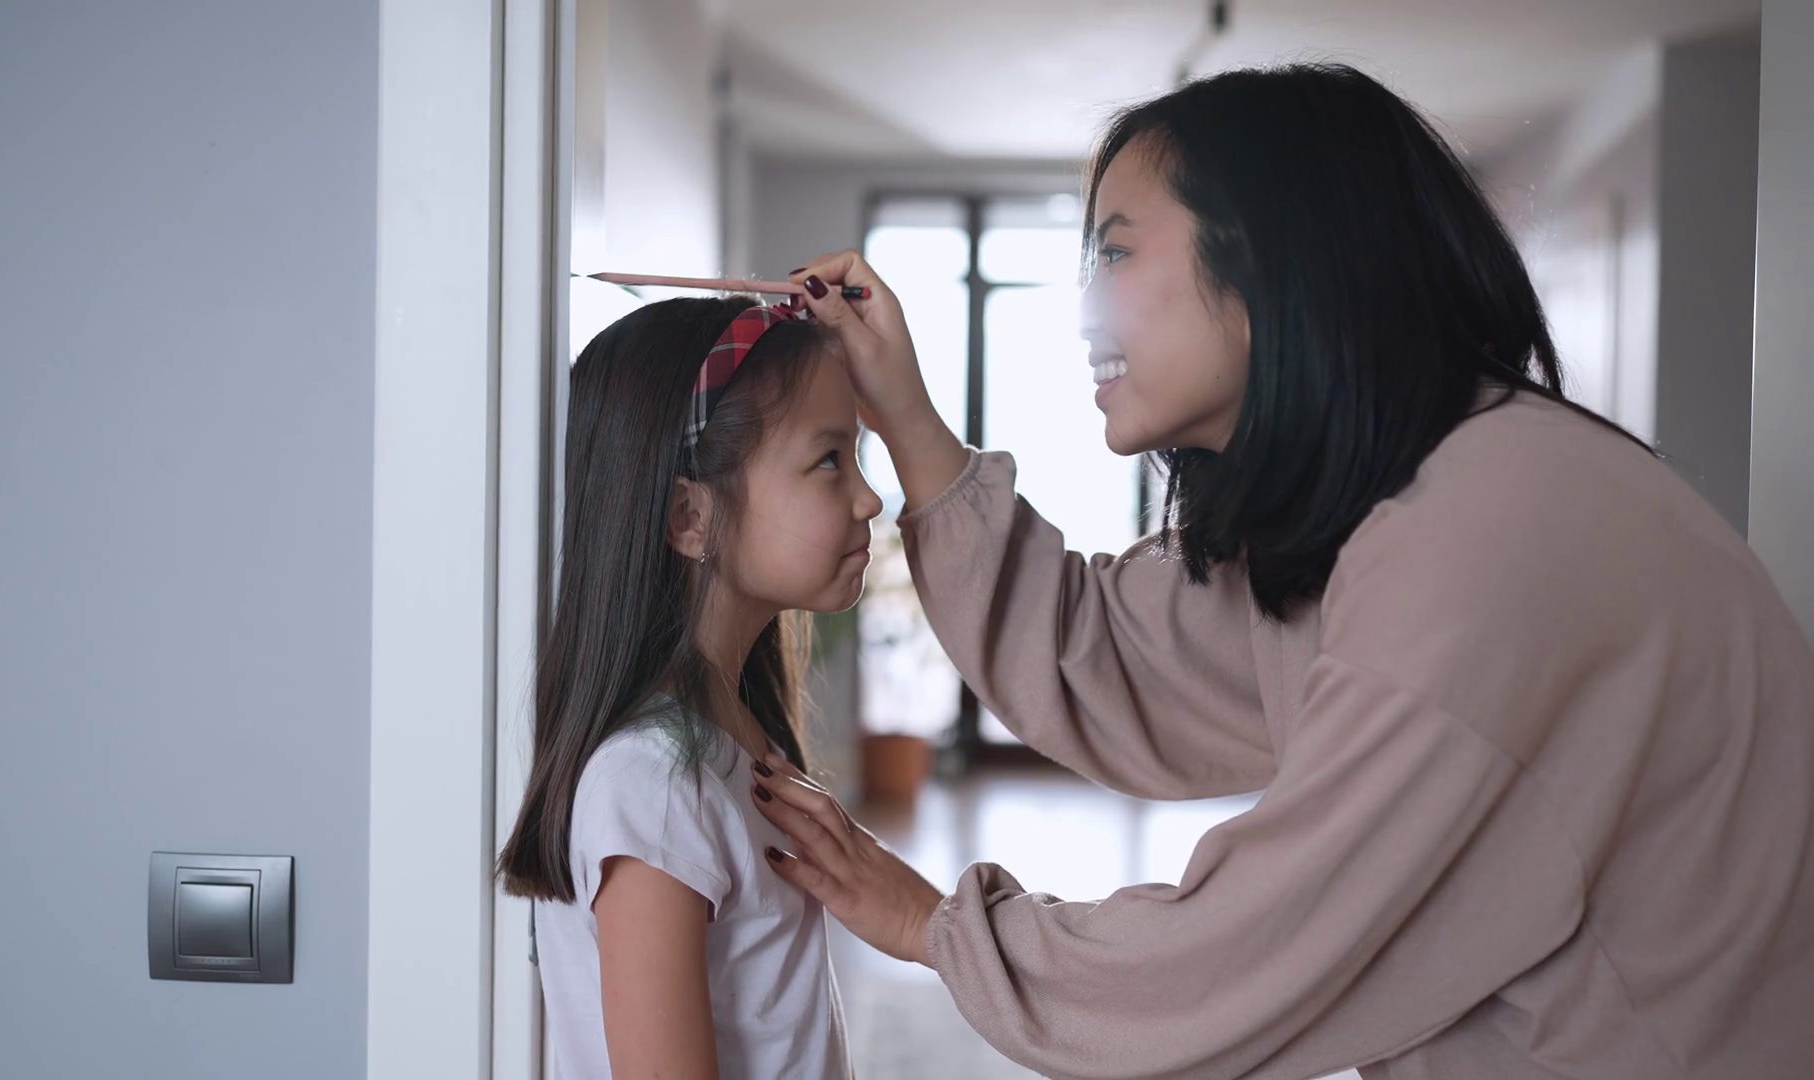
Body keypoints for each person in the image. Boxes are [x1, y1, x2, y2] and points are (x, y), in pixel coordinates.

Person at [750, 64, 1814, 1079]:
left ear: (1268, 260)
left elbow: (1242, 952)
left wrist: (932, 926)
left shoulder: (1487, 543)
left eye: (1115, 254)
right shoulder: (1401, 498)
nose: (1086, 309)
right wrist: (905, 414)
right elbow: (1102, 653)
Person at [496, 296, 881, 1079]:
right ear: (689, 516)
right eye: (830, 459)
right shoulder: (655, 785)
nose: (870, 498)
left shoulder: (727, 734)